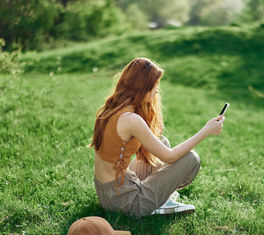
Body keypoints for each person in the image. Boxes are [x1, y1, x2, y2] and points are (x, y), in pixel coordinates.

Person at [89, 57, 225, 218]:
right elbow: (170, 156)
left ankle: (158, 196)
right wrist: (206, 130)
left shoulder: (112, 109)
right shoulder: (131, 120)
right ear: (142, 86)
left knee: (161, 141)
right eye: (154, 85)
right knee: (191, 159)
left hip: (110, 192)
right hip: (125, 202)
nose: (157, 90)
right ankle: (158, 203)